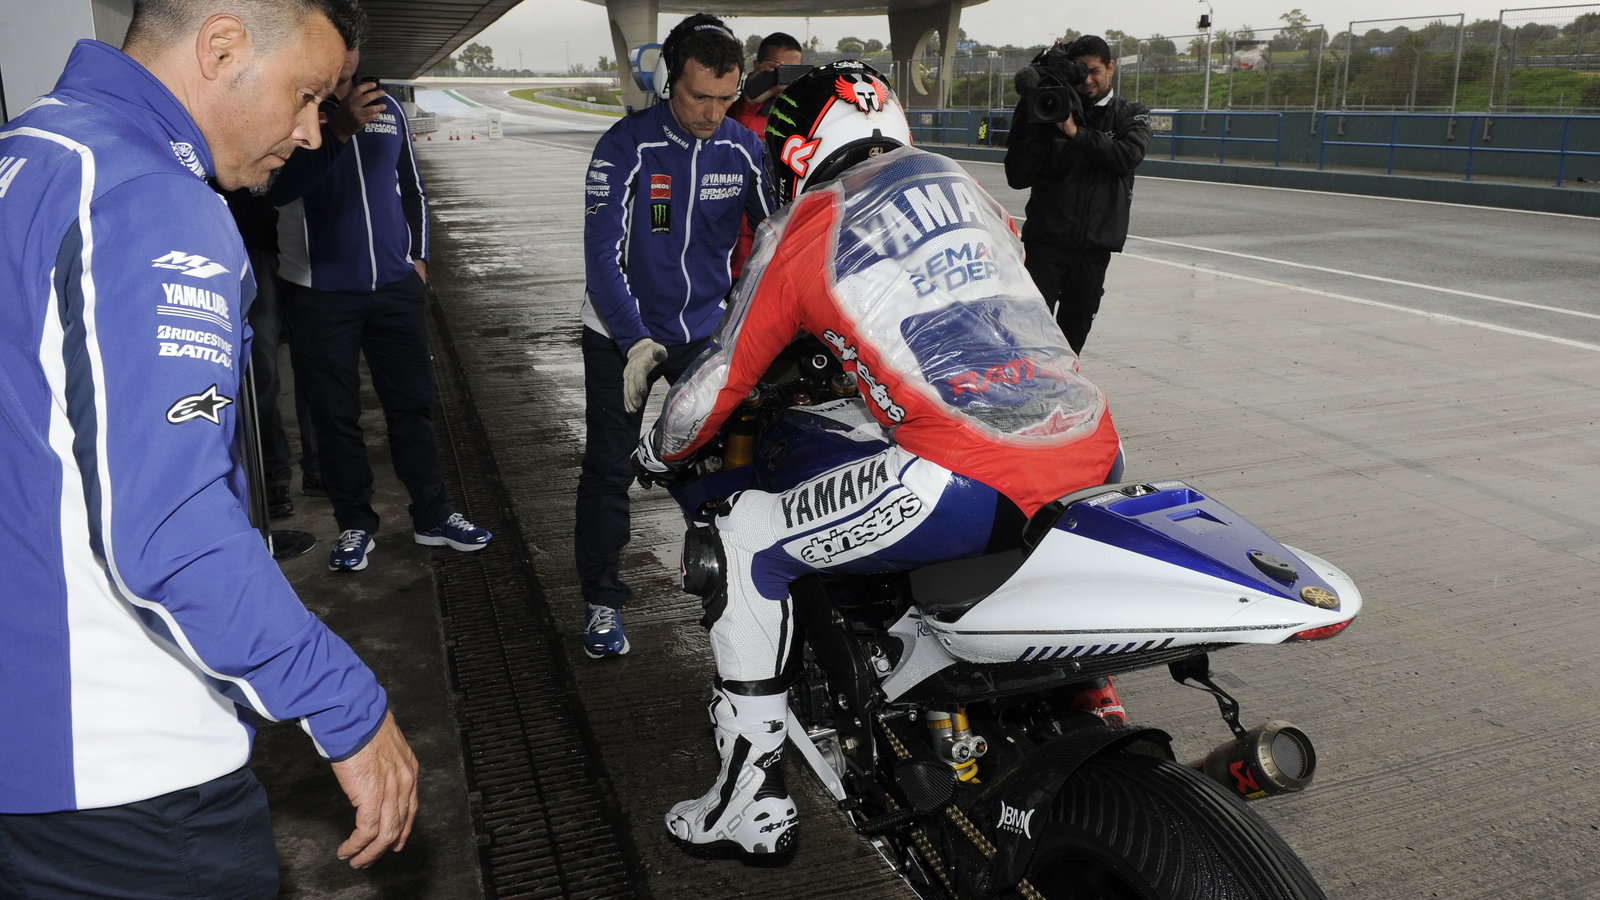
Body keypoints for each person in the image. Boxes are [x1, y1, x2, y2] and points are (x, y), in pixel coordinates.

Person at [633, 61, 1124, 858]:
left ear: (796, 150)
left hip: (966, 474)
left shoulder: (810, 219)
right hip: (1092, 448)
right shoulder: (969, 189)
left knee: (743, 538)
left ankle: (749, 798)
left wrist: (659, 449)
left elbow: (720, 381)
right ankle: (1080, 698)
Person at [0, 1, 419, 895]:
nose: (312, 133)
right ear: (223, 46)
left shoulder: (29, 152)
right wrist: (345, 704)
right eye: (305, 95)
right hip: (127, 775)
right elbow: (169, 529)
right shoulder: (149, 196)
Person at [577, 12, 772, 659]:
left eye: (726, 98)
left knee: (733, 459)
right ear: (669, 84)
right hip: (620, 334)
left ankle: (739, 584)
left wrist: (749, 316)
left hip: (701, 334)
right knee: (608, 469)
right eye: (698, 97)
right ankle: (603, 601)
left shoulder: (742, 148)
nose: (713, 113)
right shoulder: (624, 146)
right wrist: (634, 340)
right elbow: (601, 257)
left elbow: (776, 241)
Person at [270, 45, 491, 572]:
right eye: (334, 41)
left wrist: (419, 257)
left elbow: (412, 188)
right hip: (320, 291)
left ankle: (433, 515)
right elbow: (279, 189)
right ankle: (354, 524)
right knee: (336, 416)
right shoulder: (290, 109)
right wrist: (338, 131)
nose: (344, 55)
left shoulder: (387, 108)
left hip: (395, 287)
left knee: (413, 407)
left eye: (350, 44)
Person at [1004, 34, 1151, 354]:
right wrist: (1030, 111)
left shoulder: (1130, 113)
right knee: (1030, 335)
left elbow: (1126, 156)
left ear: (1111, 68)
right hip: (1045, 243)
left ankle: (1063, 385)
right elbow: (1017, 177)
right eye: (1080, 72)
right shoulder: (1050, 108)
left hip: (1093, 250)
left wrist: (1076, 133)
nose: (1087, 80)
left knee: (1073, 338)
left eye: (1094, 71)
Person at [223, 187, 297, 518]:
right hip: (254, 250)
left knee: (317, 371)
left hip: (309, 252)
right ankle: (273, 476)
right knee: (261, 375)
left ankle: (321, 469)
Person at [726, 31, 804, 277]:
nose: (784, 80)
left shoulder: (807, 116)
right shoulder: (738, 114)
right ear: (758, 67)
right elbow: (733, 141)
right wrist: (750, 101)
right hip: (739, 253)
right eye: (777, 70)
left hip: (787, 246)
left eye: (792, 71)